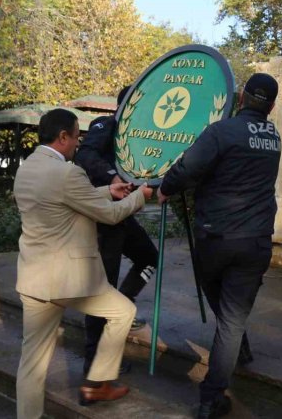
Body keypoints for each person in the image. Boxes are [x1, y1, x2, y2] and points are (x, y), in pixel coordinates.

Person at [14, 108, 153, 419]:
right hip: (68, 281)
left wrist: (107, 189)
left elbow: (65, 200)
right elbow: (111, 215)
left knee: (31, 365)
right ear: (63, 137)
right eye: (77, 137)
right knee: (123, 312)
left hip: (33, 280)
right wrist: (141, 195)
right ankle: (98, 382)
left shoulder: (26, 169)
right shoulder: (68, 172)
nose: (78, 144)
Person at [158, 73, 281, 419]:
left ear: (241, 97)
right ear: (271, 106)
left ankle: (210, 399)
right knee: (232, 317)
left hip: (216, 239)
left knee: (226, 315)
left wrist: (165, 188)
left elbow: (187, 168)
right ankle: (238, 344)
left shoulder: (222, 132)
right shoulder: (274, 137)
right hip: (255, 241)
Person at [74, 86, 160, 376]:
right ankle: (93, 364)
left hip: (123, 217)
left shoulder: (143, 137)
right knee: (102, 288)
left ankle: (122, 307)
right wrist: (112, 178)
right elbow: (85, 155)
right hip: (102, 218)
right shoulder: (106, 125)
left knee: (149, 257)